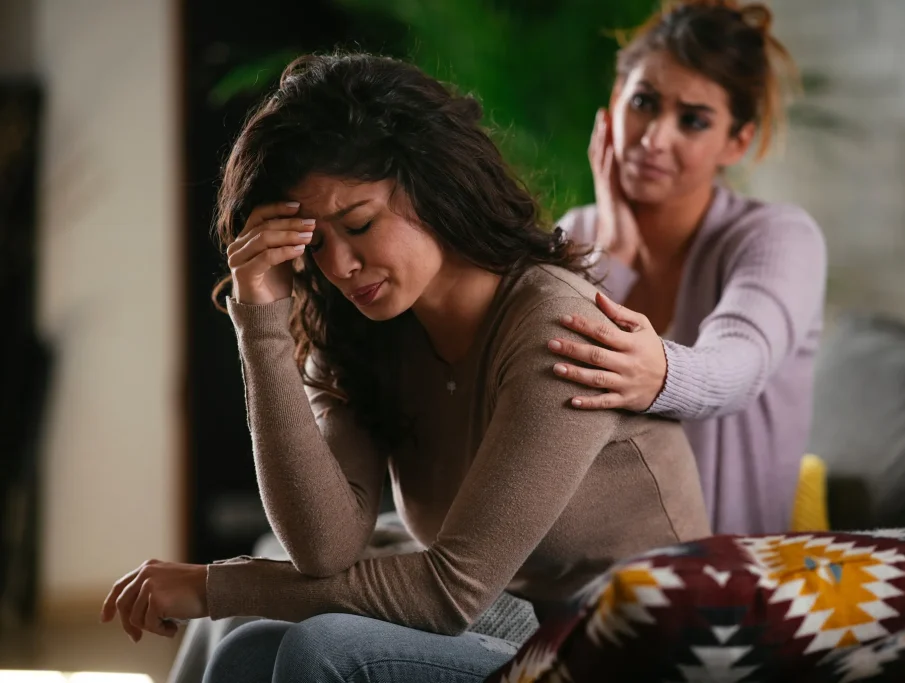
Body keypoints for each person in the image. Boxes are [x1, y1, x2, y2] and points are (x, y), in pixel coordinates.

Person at [98, 52, 709, 682]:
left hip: (627, 648)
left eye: (358, 224)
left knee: (317, 645)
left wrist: (211, 586)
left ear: (432, 184)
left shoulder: (555, 331)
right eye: (314, 244)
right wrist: (260, 316)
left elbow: (448, 594)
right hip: (509, 622)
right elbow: (323, 547)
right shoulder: (365, 329)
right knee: (243, 643)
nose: (339, 267)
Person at [548, 0, 828, 536]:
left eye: (693, 121)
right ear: (615, 101)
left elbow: (739, 364)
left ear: (737, 141)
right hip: (583, 561)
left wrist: (661, 375)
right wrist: (613, 256)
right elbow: (545, 398)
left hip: (724, 572)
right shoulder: (577, 233)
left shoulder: (778, 238)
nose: (655, 138)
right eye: (644, 103)